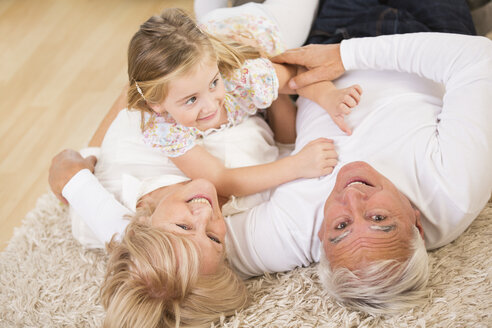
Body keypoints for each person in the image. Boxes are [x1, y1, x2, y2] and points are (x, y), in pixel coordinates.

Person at [50, 3, 492, 326]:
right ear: (416, 223)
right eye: (378, 219)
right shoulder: (454, 190)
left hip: (315, 44)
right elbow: (477, 61)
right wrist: (345, 59)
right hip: (422, 32)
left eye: (339, 226)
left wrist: (94, 164)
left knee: (228, 34)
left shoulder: (166, 239)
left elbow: (151, 263)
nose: (351, 198)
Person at [126, 5, 365, 213]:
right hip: (214, 31)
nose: (211, 105)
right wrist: (297, 164)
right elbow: (221, 179)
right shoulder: (163, 128)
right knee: (209, 19)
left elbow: (296, 73)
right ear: (155, 105)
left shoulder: (242, 76)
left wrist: (330, 96)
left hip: (260, 26)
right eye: (191, 100)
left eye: (213, 83)